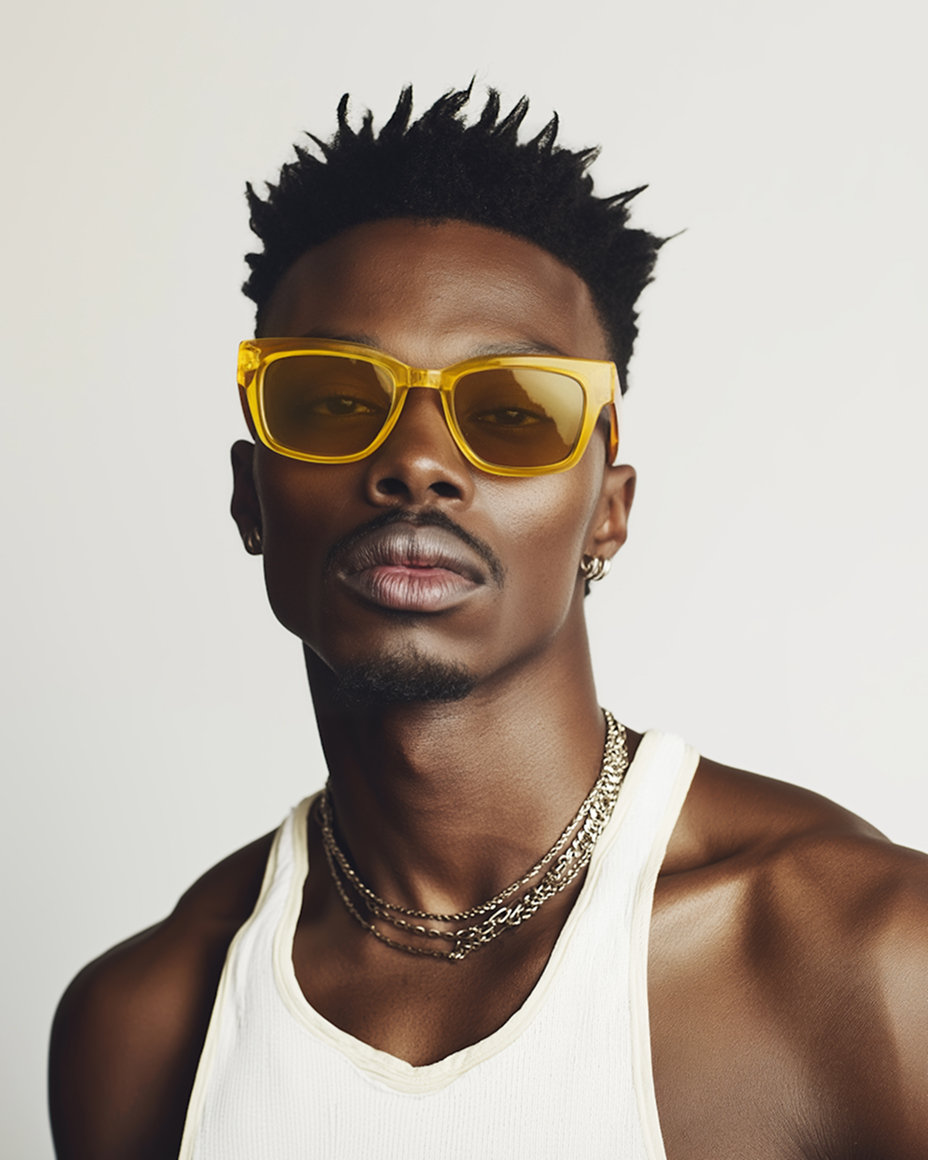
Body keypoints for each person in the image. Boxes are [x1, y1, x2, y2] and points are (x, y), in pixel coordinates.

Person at [49, 86, 928, 1160]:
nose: (417, 461)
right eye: (335, 400)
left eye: (511, 412)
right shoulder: (143, 1028)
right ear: (250, 497)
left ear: (608, 510)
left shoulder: (865, 956)